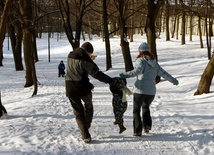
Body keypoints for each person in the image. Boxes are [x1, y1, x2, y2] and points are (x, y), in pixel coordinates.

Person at [119, 42, 179, 137]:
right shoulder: (154, 63)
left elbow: (136, 71)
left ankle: (137, 131)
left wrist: (124, 75)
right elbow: (164, 73)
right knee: (146, 107)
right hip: (151, 92)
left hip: (140, 90)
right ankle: (147, 127)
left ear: (140, 51)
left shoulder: (141, 61)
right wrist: (173, 80)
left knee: (136, 110)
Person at [65, 42, 118, 143]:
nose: (90, 56)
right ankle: (86, 128)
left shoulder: (70, 55)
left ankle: (85, 134)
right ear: (88, 52)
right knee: (89, 107)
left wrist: (88, 59)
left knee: (78, 113)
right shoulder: (84, 58)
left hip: (70, 88)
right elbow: (96, 73)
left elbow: (78, 68)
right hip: (82, 88)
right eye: (90, 54)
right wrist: (110, 81)